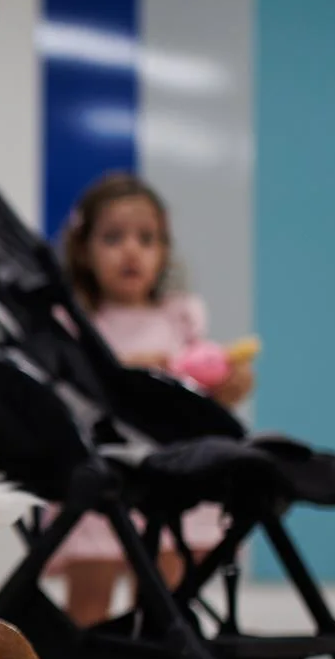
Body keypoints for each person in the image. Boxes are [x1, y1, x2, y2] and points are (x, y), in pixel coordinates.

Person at [48, 173, 255, 626]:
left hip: (169, 479)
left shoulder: (178, 317)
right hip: (100, 479)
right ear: (83, 250)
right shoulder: (77, 324)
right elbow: (63, 393)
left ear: (164, 252)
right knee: (87, 606)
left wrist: (225, 389)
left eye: (147, 239)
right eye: (113, 237)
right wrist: (123, 372)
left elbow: (195, 396)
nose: (131, 250)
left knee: (164, 599)